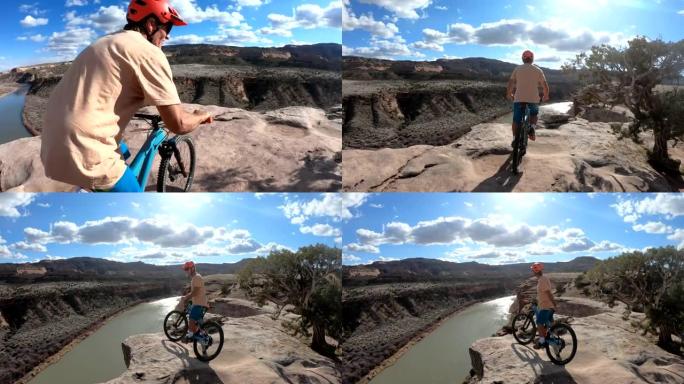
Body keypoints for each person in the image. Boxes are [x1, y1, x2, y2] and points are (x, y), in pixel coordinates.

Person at [41, 0, 213, 192]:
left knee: (122, 149)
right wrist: (201, 115)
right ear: (151, 24)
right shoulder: (149, 52)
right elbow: (178, 124)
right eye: (167, 30)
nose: (167, 37)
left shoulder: (103, 42)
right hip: (84, 149)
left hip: (50, 141)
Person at [506, 50, 550, 147]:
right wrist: (545, 95)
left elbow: (511, 83)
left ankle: (514, 139)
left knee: (516, 120)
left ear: (523, 59)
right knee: (534, 114)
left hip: (518, 98)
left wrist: (509, 94)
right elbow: (545, 86)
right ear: (532, 59)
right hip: (533, 98)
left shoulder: (517, 69)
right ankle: (532, 128)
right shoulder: (538, 70)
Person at [181, 261, 209, 342]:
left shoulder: (196, 277)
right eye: (185, 269)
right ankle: (204, 338)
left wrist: (186, 297)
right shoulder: (195, 277)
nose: (185, 271)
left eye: (187, 269)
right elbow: (196, 292)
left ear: (192, 268)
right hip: (200, 303)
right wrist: (189, 298)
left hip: (199, 304)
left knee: (191, 319)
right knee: (200, 324)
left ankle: (190, 336)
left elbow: (195, 292)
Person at [531, 262, 556, 349]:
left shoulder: (542, 280)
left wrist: (553, 303)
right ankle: (550, 337)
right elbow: (543, 293)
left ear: (535, 271)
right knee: (548, 324)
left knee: (539, 323)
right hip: (546, 305)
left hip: (546, 306)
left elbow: (548, 292)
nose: (532, 272)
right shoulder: (543, 278)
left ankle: (542, 342)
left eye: (533, 270)